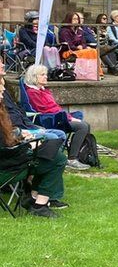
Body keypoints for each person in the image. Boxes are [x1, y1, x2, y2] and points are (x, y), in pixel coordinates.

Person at [0, 87, 68, 218]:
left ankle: (33, 198)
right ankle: (39, 205)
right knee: (56, 159)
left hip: (9, 160)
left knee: (49, 151)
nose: (3, 92)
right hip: (7, 168)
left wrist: (20, 138)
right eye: (0, 90)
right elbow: (5, 149)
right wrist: (28, 146)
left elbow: (5, 142)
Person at [22, 64, 92, 170]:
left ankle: (79, 155)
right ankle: (72, 159)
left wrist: (68, 117)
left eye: (45, 74)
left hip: (54, 116)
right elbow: (45, 110)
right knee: (82, 126)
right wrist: (69, 118)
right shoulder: (32, 93)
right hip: (48, 120)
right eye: (42, 75)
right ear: (34, 77)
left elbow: (54, 107)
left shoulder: (42, 90)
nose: (46, 76)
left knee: (85, 125)